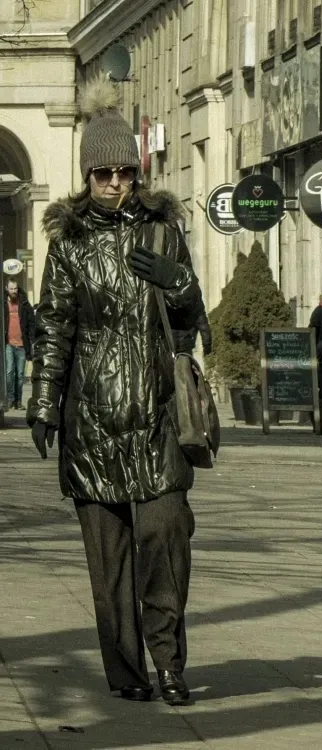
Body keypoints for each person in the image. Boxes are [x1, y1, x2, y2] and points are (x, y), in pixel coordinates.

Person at [28, 79, 204, 706]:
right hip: (93, 420)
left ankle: (170, 663)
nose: (114, 183)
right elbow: (54, 328)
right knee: (109, 567)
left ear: (137, 172)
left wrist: (179, 283)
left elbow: (192, 325)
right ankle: (128, 672)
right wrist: (44, 404)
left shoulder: (163, 232)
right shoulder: (69, 244)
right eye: (103, 173)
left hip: (156, 416)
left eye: (124, 172)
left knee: (166, 539)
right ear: (87, 176)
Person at [4, 279, 34, 409]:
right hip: (8, 344)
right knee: (10, 372)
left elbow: (32, 322)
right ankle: (11, 399)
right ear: (7, 289)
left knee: (20, 375)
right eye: (11, 289)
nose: (13, 291)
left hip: (22, 344)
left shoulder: (24, 303)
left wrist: (32, 339)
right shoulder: (3, 303)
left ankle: (18, 401)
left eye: (15, 289)